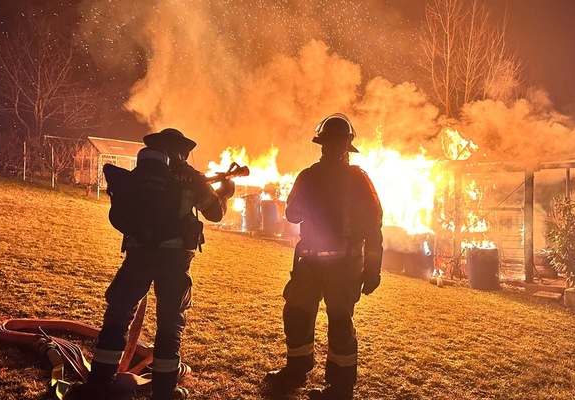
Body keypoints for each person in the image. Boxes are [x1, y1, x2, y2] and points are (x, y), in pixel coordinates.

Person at [67, 128, 235, 400]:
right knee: (170, 323)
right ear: (182, 151)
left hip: (138, 256)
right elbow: (215, 212)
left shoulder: (139, 177)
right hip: (174, 261)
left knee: (118, 317)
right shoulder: (191, 178)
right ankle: (164, 392)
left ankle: (99, 385)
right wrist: (225, 194)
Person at [264, 113, 383, 400]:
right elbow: (292, 214)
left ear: (347, 145)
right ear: (322, 144)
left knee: (341, 324)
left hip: (345, 266)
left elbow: (373, 225)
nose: (334, 146)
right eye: (330, 141)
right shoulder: (308, 176)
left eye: (339, 141)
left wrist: (373, 268)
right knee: (296, 314)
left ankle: (340, 387)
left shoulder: (360, 180)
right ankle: (297, 368)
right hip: (310, 263)